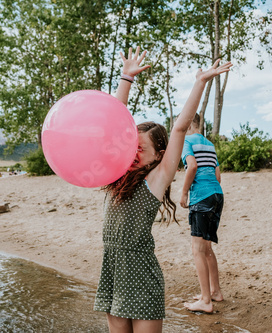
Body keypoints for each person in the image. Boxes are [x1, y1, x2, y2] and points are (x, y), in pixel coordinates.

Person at [93, 46, 232, 332]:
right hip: (112, 269)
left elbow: (180, 128)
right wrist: (125, 78)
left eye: (140, 149)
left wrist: (200, 82)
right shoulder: (118, 174)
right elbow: (114, 128)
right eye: (131, 146)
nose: (132, 152)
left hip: (141, 274)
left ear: (159, 155)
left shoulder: (156, 179)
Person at [179, 113, 224, 314]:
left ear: (187, 125)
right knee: (206, 248)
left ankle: (206, 301)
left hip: (202, 198)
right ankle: (215, 291)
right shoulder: (209, 145)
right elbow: (218, 176)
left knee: (197, 249)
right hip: (217, 195)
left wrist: (184, 192)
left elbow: (193, 166)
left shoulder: (187, 141)